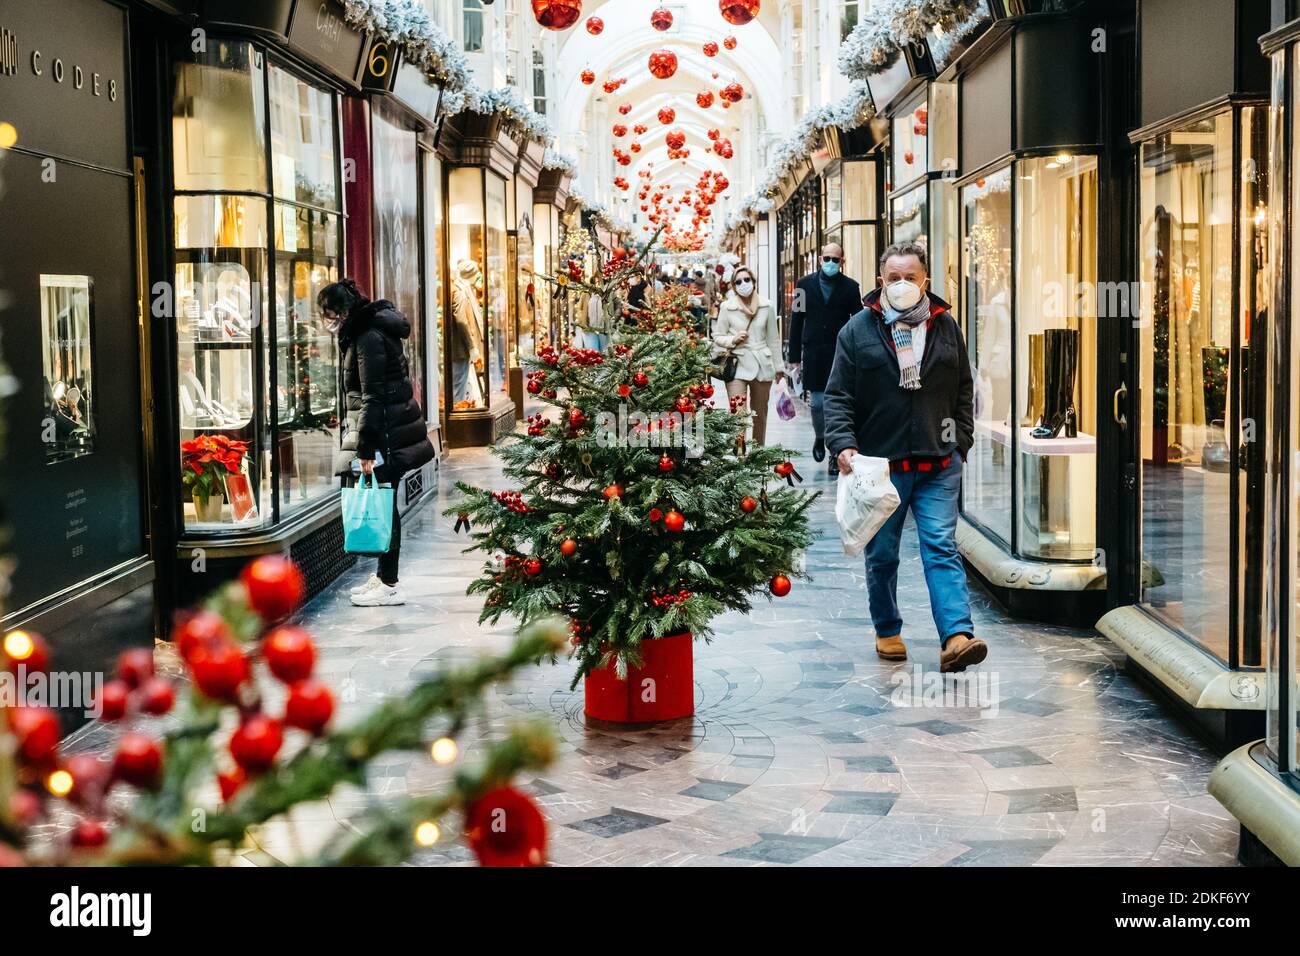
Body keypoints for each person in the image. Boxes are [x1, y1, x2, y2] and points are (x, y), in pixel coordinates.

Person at [824, 241, 985, 673]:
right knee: (883, 555)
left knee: (941, 547)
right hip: (882, 467)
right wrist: (843, 444)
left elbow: (964, 389)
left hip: (938, 462)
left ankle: (956, 636)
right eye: (893, 278)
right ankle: (887, 628)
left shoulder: (945, 326)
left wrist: (960, 442)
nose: (901, 284)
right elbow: (838, 396)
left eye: (909, 277)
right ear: (880, 281)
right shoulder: (857, 331)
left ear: (925, 281)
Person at [322, 279, 435, 607]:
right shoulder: (369, 329)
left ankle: (388, 582)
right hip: (389, 429)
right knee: (385, 500)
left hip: (384, 433)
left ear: (343, 312)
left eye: (329, 314)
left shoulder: (368, 336)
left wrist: (367, 450)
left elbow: (372, 395)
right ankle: (384, 576)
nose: (327, 321)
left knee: (384, 504)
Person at [788, 242, 863, 475]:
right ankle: (820, 436)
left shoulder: (851, 287)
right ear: (820, 259)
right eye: (827, 258)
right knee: (818, 403)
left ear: (842, 262)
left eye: (836, 259)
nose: (831, 263)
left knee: (838, 405)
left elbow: (858, 320)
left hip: (840, 352)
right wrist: (794, 357)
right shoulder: (803, 285)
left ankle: (834, 453)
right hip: (814, 352)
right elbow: (796, 320)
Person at [712, 265, 785, 446]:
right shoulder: (727, 307)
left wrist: (779, 368)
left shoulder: (767, 306)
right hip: (737, 364)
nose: (743, 284)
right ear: (733, 286)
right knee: (738, 414)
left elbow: (773, 339)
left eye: (747, 280)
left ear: (753, 282)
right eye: (738, 282)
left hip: (762, 364)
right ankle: (740, 455)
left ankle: (758, 453)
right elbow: (718, 336)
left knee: (760, 413)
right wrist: (733, 339)